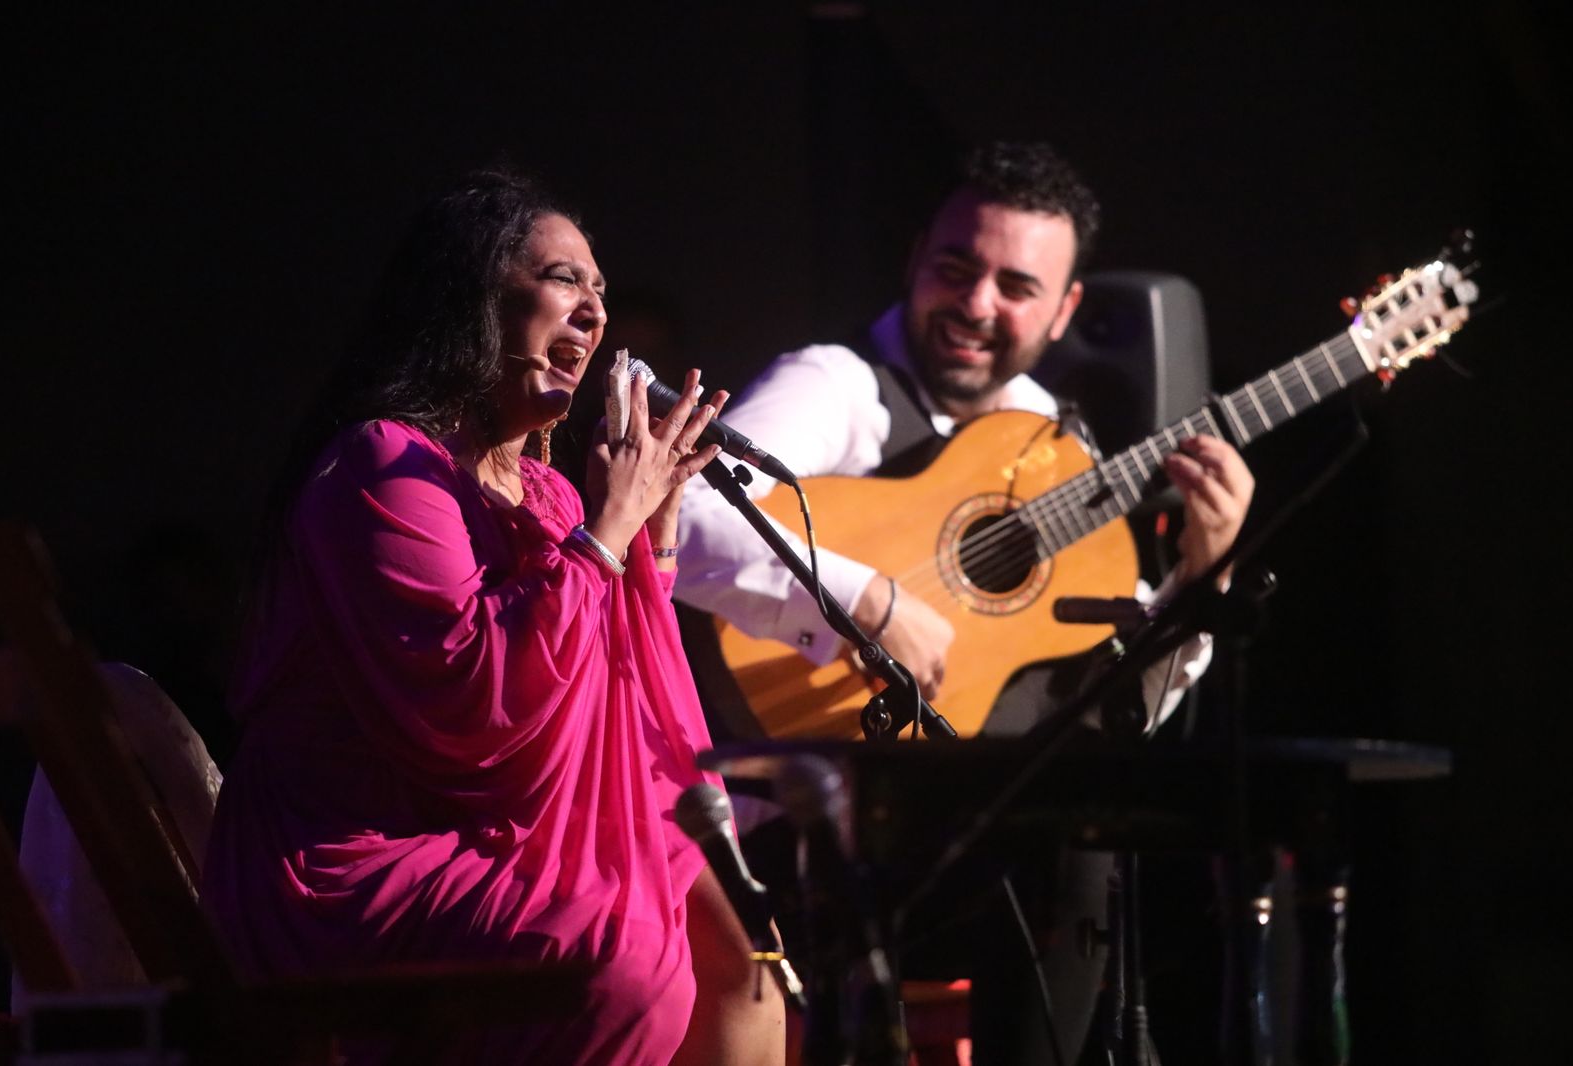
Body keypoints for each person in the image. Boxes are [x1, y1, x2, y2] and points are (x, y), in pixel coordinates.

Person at [673, 141, 1255, 1062]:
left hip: (968, 854)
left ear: (1064, 312)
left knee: (1087, 839)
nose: (978, 306)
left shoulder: (1051, 445)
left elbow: (1120, 705)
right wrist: (865, 598)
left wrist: (1202, 577)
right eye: (957, 268)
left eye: (1016, 286)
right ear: (916, 261)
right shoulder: (836, 386)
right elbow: (684, 515)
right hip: (795, 827)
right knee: (1065, 856)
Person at [201, 168, 785, 1065]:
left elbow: (602, 675)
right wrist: (611, 527)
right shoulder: (383, 466)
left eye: (599, 288)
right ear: (473, 301)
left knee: (747, 970)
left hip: (514, 821)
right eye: (563, 280)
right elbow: (471, 705)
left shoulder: (549, 490)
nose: (594, 309)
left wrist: (648, 536)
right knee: (620, 965)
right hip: (372, 843)